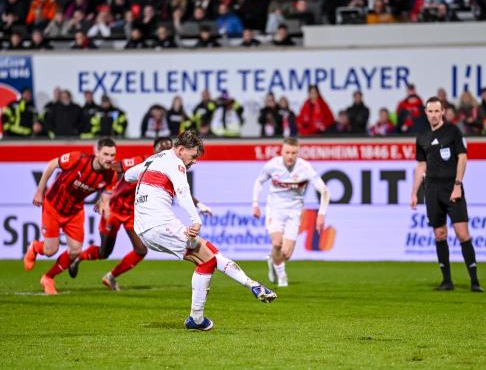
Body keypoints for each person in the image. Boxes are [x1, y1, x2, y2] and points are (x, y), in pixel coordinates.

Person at [125, 131, 277, 330]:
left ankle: (253, 285)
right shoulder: (176, 162)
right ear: (180, 150)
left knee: (209, 253)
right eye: (193, 155)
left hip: (145, 228)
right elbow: (182, 191)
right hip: (160, 224)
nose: (194, 161)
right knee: (208, 260)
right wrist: (195, 219)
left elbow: (128, 175)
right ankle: (196, 319)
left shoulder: (155, 159)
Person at [68, 137, 213, 290]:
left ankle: (111, 276)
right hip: (114, 209)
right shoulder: (141, 161)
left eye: (167, 147)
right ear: (154, 149)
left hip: (133, 212)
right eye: (161, 147)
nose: (164, 150)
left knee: (141, 249)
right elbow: (115, 168)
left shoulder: (170, 166)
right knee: (104, 252)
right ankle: (79, 257)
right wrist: (105, 193)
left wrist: (198, 204)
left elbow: (181, 191)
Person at [23, 138, 118, 295]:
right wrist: (40, 191)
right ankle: (34, 247)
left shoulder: (110, 175)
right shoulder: (78, 158)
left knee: (75, 251)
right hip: (53, 206)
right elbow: (52, 164)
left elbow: (106, 197)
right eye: (106, 154)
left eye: (112, 155)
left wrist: (104, 205)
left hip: (75, 212)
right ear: (97, 153)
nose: (109, 159)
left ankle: (48, 278)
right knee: (50, 250)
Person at [410, 97, 482, 292]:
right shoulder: (422, 137)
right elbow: (421, 165)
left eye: (436, 111)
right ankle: (447, 281)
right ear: (426, 112)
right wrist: (414, 192)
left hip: (451, 188)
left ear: (442, 112)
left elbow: (462, 157)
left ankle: (474, 281)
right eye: (430, 111)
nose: (433, 114)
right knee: (440, 234)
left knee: (462, 233)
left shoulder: (452, 131)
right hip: (431, 190)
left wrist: (458, 184)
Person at [252, 138, 330, 287]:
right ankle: (282, 277)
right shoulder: (273, 165)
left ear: (298, 153)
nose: (290, 156)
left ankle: (272, 261)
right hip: (275, 210)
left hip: (294, 212)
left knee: (286, 253)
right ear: (282, 152)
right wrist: (255, 204)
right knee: (277, 242)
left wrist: (321, 214)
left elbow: (324, 190)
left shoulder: (305, 168)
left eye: (294, 153)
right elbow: (259, 182)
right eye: (287, 152)